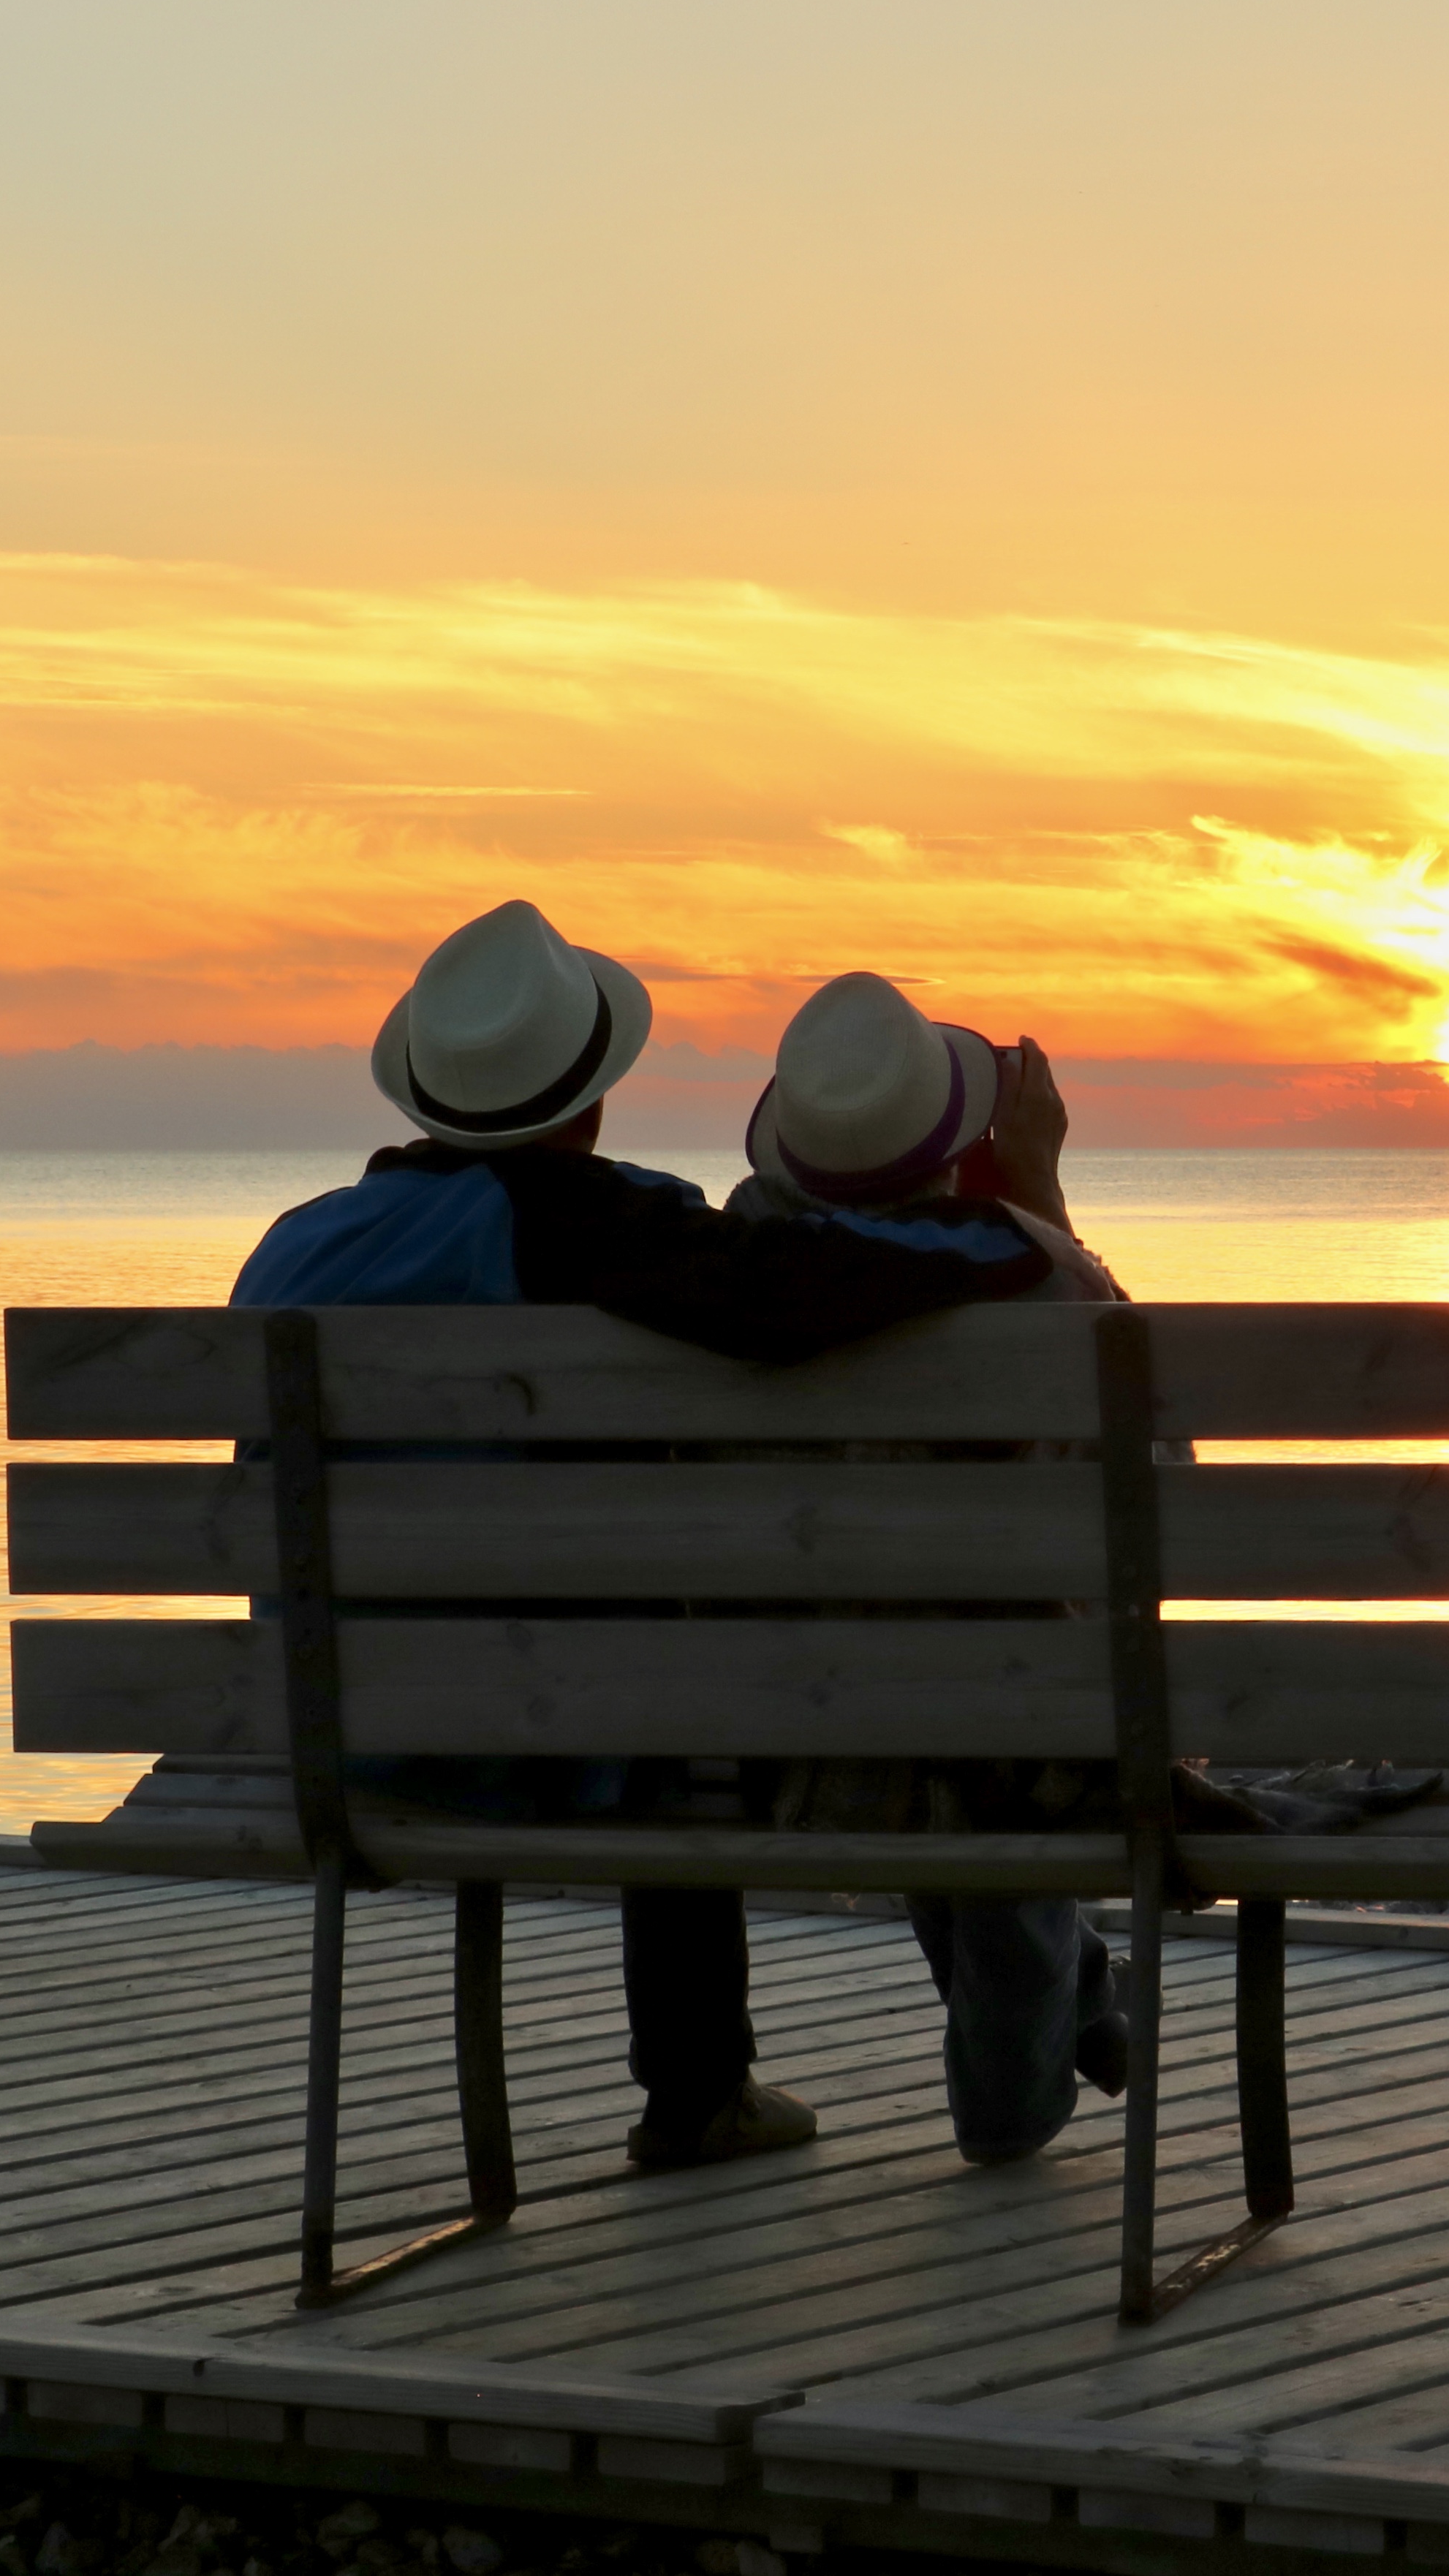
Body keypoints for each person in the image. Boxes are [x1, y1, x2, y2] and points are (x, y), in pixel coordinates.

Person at [227, 901, 1066, 2171]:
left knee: (640, 1662)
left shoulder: (294, 1246)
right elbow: (798, 1287)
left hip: (331, 1730)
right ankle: (697, 2092)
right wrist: (1018, 1214)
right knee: (664, 1680)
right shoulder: (594, 1226)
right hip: (554, 1739)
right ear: (594, 1097)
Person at [722, 971, 1133, 2165]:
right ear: (959, 1142)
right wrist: (1039, 1196)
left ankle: (1081, 2005)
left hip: (775, 1743)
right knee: (991, 1683)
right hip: (1005, 1744)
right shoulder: (1036, 1278)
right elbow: (1157, 1485)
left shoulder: (714, 1286)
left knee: (908, 1658)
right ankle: (1016, 2093)